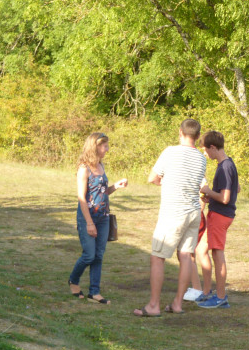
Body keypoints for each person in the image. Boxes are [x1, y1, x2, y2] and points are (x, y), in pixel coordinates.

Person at [133, 119, 207, 317]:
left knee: (158, 257)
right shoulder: (201, 158)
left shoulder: (170, 152)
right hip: (194, 212)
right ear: (198, 136)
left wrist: (164, 182)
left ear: (180, 132)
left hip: (174, 212)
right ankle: (177, 304)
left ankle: (154, 306)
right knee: (185, 257)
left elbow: (152, 178)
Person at [67, 133, 128, 304]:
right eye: (104, 146)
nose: (107, 149)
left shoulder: (100, 165)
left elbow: (103, 191)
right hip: (88, 217)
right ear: (95, 147)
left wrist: (116, 186)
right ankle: (73, 280)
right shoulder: (83, 169)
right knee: (89, 255)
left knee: (99, 255)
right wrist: (89, 223)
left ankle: (94, 292)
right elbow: (81, 197)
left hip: (103, 217)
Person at [197, 130, 239, 308]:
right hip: (220, 213)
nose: (205, 154)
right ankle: (207, 292)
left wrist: (207, 190)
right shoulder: (229, 164)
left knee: (217, 254)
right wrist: (211, 197)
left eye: (206, 150)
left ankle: (221, 298)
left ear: (213, 147)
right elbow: (236, 189)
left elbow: (225, 198)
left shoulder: (224, 167)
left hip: (220, 216)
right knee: (200, 250)